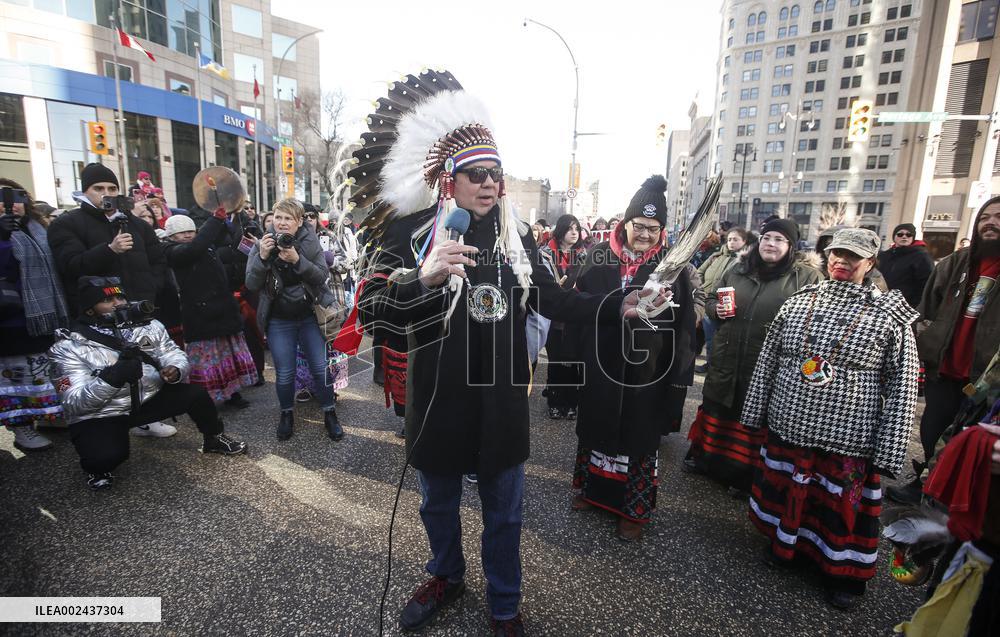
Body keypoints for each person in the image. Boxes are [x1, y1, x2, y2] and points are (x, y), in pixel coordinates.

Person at [352, 71, 669, 636]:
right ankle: (445, 575)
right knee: (436, 505)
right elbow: (374, 313)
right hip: (437, 398)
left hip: (499, 401)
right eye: (477, 174)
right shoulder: (410, 235)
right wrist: (421, 279)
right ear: (450, 180)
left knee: (505, 514)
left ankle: (504, 604)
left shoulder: (517, 239)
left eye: (497, 173)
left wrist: (620, 303)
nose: (491, 183)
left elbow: (557, 298)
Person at [740, 228, 919, 609]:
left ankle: (843, 573)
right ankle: (787, 547)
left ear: (870, 263)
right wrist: (754, 411)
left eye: (853, 256)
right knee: (789, 489)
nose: (842, 261)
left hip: (849, 434)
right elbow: (769, 359)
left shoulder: (889, 315)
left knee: (839, 506)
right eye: (837, 253)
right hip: (790, 422)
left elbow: (902, 385)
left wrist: (890, 450)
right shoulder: (798, 302)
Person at [570, 175, 701, 541]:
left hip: (649, 370)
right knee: (594, 427)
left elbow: (685, 328)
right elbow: (574, 310)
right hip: (600, 361)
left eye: (653, 228)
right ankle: (590, 492)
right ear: (624, 223)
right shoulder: (596, 257)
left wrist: (678, 380)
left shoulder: (671, 268)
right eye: (639, 226)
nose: (645, 235)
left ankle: (634, 509)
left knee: (640, 439)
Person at [48, 276, 247, 490]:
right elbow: (73, 402)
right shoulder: (68, 347)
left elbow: (171, 352)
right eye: (108, 300)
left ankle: (214, 438)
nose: (118, 304)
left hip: (147, 398)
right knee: (106, 457)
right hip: (105, 411)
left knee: (196, 394)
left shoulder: (147, 324)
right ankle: (96, 469)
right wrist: (113, 377)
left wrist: (176, 369)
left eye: (120, 296)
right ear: (89, 309)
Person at [685, 219, 822, 492]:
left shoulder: (806, 277)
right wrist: (715, 311)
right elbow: (711, 299)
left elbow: (817, 322)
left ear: (791, 246)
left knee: (755, 415)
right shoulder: (737, 269)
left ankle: (745, 476)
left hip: (768, 362)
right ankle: (707, 461)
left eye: (779, 240)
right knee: (719, 405)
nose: (770, 244)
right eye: (767, 238)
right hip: (727, 353)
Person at [888, 199, 1000, 504]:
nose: (990, 223)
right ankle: (925, 482)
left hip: (987, 380)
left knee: (973, 439)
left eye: (998, 217)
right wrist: (927, 341)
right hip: (945, 369)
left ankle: (961, 496)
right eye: (984, 218)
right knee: (932, 429)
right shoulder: (956, 263)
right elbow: (927, 309)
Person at [245, 198, 344, 442]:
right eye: (278, 217)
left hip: (309, 315)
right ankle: (286, 414)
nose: (282, 223)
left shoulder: (309, 242)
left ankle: (329, 412)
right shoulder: (263, 243)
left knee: (321, 368)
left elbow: (321, 277)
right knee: (285, 373)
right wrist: (262, 256)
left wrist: (297, 260)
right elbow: (251, 284)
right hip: (279, 319)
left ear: (299, 222)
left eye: (288, 218)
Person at [0, 179, 70, 451]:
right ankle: (21, 428)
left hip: (46, 315)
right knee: (16, 380)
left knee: (46, 373)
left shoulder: (37, 228)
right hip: (11, 320)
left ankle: (50, 417)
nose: (12, 204)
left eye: (16, 197)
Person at [162, 213, 258, 407]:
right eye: (182, 233)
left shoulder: (205, 245)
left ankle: (233, 393)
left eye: (190, 231)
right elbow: (192, 250)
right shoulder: (170, 251)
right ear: (171, 236)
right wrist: (215, 220)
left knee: (228, 357)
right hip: (200, 314)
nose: (188, 235)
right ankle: (206, 399)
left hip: (222, 309)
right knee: (208, 360)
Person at [292, 206, 350, 404]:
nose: (309, 219)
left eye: (312, 216)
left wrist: (331, 260)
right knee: (303, 346)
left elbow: (346, 263)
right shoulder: (291, 239)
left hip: (329, 298)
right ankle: (305, 386)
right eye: (304, 216)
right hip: (304, 300)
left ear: (317, 218)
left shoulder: (329, 237)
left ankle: (329, 385)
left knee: (330, 344)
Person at [539, 214, 587, 419]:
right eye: (569, 228)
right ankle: (555, 400)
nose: (574, 232)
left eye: (577, 228)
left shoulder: (585, 255)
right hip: (554, 315)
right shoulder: (544, 253)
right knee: (557, 359)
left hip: (575, 316)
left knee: (574, 360)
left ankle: (572, 402)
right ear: (560, 231)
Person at [694, 226, 752, 374]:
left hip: (726, 305)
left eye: (736, 239)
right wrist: (701, 290)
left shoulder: (747, 261)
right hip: (707, 301)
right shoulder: (716, 256)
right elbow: (699, 272)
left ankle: (715, 366)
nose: (731, 242)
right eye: (730, 239)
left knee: (718, 339)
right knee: (707, 338)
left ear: (744, 241)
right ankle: (709, 363)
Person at [878, 222, 934, 310]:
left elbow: (927, 283)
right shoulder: (884, 256)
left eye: (908, 235)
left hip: (906, 307)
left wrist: (914, 305)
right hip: (881, 303)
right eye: (900, 234)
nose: (904, 237)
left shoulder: (921, 256)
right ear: (894, 237)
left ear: (913, 238)